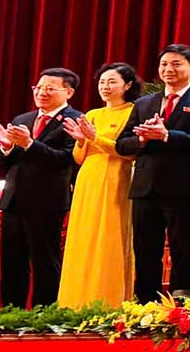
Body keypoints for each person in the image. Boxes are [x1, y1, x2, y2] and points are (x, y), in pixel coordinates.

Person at [116, 44, 190, 302]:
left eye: (176, 64)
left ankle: (180, 300)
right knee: (144, 248)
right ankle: (145, 302)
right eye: (164, 64)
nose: (168, 70)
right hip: (145, 187)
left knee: (182, 247)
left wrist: (167, 135)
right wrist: (141, 140)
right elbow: (122, 144)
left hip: (183, 186)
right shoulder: (144, 103)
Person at [0, 68, 81, 308]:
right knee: (12, 263)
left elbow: (64, 159)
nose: (42, 93)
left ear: (68, 92)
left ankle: (44, 314)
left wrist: (30, 144)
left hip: (46, 202)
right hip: (13, 200)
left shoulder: (74, 120)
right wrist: (6, 147)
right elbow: (4, 164)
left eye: (50, 88)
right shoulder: (23, 119)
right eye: (38, 88)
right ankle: (11, 311)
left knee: (44, 262)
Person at [57, 63, 141, 308]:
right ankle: (74, 301)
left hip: (116, 175)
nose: (105, 87)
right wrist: (82, 141)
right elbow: (78, 157)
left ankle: (110, 301)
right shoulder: (92, 114)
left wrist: (96, 138)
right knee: (82, 238)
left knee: (110, 236)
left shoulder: (132, 112)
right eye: (102, 82)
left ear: (127, 85)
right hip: (88, 178)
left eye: (112, 81)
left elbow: (128, 153)